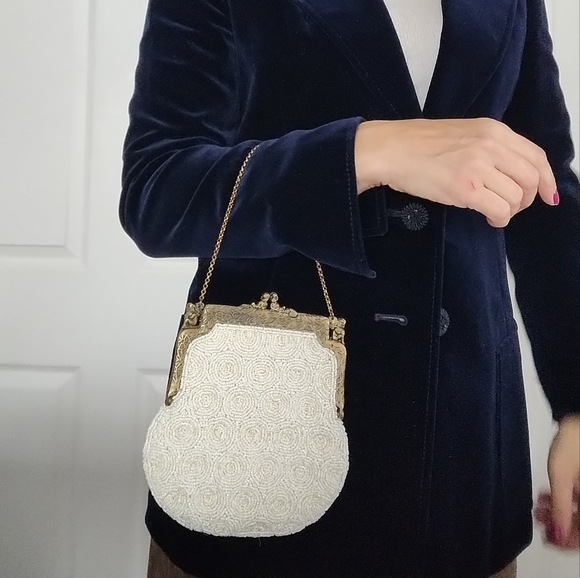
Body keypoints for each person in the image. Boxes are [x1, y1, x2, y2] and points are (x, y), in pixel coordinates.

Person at [120, 0, 580, 576]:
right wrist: (366, 151)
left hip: (461, 461)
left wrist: (575, 403)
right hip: (262, 434)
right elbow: (157, 191)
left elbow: (546, 190)